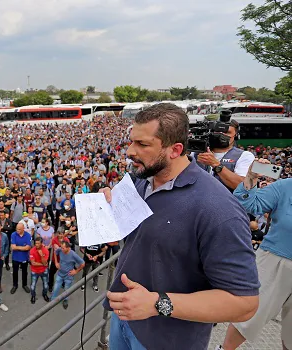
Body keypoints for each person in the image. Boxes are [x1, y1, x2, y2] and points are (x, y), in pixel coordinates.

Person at [100, 103, 259, 350]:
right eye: (131, 142)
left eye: (142, 144)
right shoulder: (142, 181)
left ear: (175, 150)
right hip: (124, 321)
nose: (130, 151)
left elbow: (244, 303)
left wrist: (156, 303)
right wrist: (108, 212)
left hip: (168, 340)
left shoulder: (218, 209)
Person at [221, 161, 292, 350]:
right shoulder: (286, 186)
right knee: (250, 314)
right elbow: (249, 203)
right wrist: (251, 177)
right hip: (273, 261)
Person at [194, 118, 255, 191]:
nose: (221, 135)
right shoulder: (195, 152)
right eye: (218, 131)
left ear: (236, 136)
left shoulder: (245, 156)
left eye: (227, 132)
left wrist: (216, 164)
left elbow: (242, 186)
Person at [51, 241, 84, 309]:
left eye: (63, 248)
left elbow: (82, 263)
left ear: (68, 248)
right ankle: (53, 300)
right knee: (56, 287)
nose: (61, 249)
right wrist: (56, 262)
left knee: (67, 289)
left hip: (68, 276)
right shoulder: (60, 250)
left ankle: (65, 300)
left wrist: (76, 271)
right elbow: (55, 252)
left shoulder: (73, 254)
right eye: (61, 247)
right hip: (60, 273)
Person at [10, 223, 32, 295]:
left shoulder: (28, 235)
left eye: (19, 229)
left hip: (24, 258)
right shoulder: (13, 234)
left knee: (24, 272)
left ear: (23, 229)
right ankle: (15, 285)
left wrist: (17, 247)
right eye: (16, 229)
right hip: (15, 258)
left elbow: (28, 247)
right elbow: (13, 247)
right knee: (15, 272)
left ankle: (24, 285)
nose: (17, 230)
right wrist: (23, 248)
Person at [29, 237, 50, 304]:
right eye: (35, 243)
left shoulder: (46, 251)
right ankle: (33, 296)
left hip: (44, 270)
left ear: (41, 243)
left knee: (46, 285)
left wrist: (41, 255)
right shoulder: (32, 250)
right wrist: (43, 264)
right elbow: (33, 263)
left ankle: (44, 294)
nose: (36, 245)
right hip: (35, 271)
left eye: (38, 243)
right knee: (32, 286)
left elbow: (45, 263)